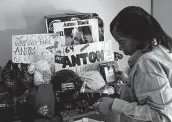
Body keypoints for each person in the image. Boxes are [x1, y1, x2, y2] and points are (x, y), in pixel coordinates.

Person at [93, 6, 172, 122]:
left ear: (138, 36)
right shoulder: (161, 49)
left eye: (122, 42)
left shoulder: (147, 63)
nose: (120, 48)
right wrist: (127, 81)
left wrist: (112, 105)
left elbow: (161, 117)